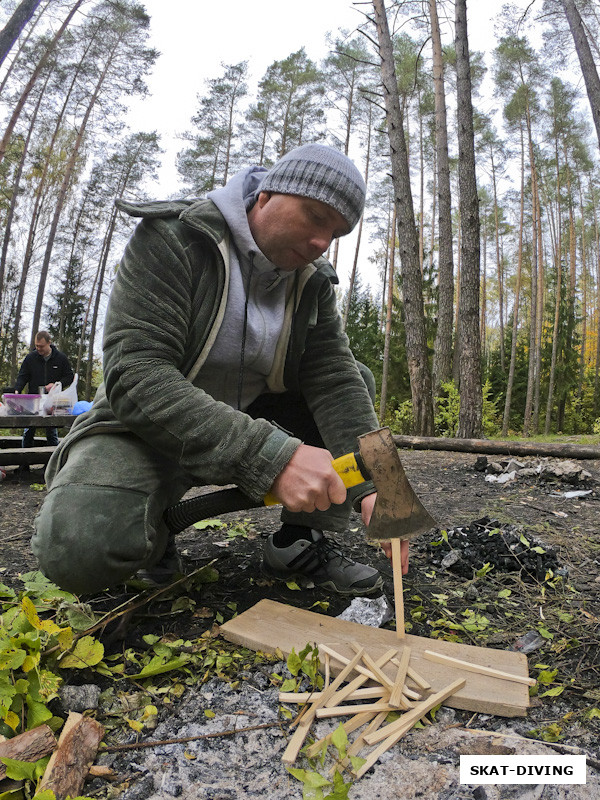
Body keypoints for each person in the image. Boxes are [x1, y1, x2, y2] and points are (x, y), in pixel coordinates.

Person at [32, 144, 409, 596]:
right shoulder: (176, 238)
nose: (320, 243)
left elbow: (336, 379)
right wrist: (273, 458)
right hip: (144, 427)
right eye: (314, 216)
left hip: (255, 417)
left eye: (335, 234)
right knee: (77, 550)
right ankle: (153, 527)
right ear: (268, 194)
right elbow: (136, 373)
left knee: (358, 378)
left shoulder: (313, 283)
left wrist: (384, 484)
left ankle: (299, 540)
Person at [14, 331, 74, 449]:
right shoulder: (31, 358)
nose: (38, 348)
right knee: (28, 431)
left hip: (53, 402)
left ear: (49, 343)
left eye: (41, 346)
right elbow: (23, 376)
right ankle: (24, 464)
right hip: (33, 401)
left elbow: (69, 376)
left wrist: (58, 384)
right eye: (36, 346)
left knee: (51, 432)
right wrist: (17, 390)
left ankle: (51, 464)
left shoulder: (61, 358)